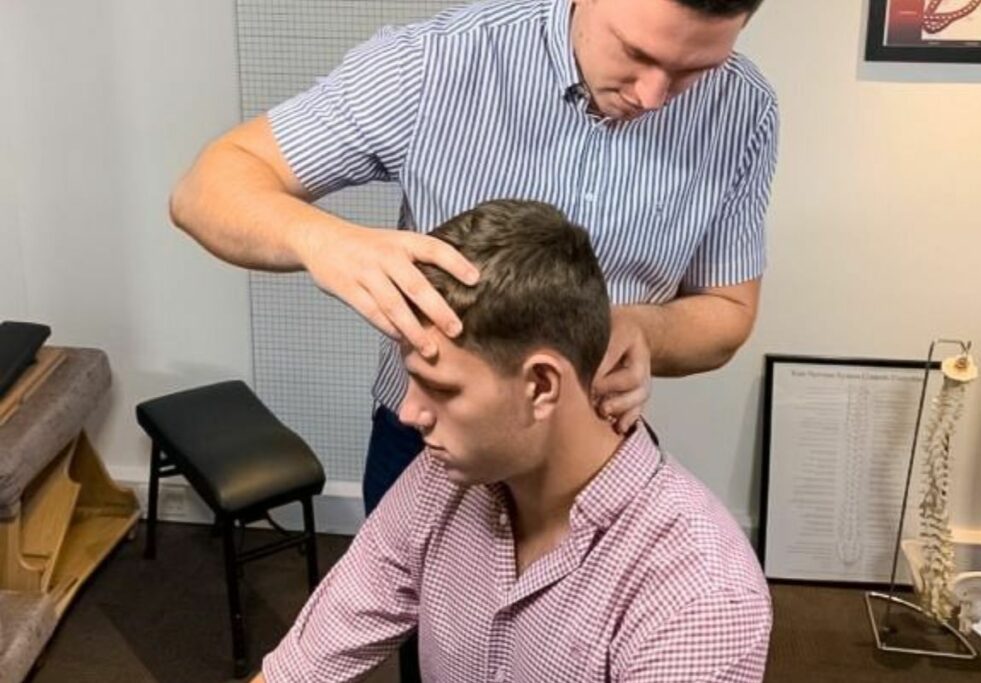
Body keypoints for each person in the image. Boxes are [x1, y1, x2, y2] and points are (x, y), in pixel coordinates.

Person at [169, 0, 779, 519]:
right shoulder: (438, 62)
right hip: (428, 439)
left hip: (591, 450)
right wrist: (324, 241)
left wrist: (642, 328)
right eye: (635, 53)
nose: (652, 96)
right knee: (419, 645)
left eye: (693, 71)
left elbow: (727, 311)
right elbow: (205, 190)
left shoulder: (745, 112)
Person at [251, 199, 772, 683]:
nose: (409, 413)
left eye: (441, 388)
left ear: (542, 385)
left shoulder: (701, 597)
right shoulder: (443, 479)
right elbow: (307, 659)